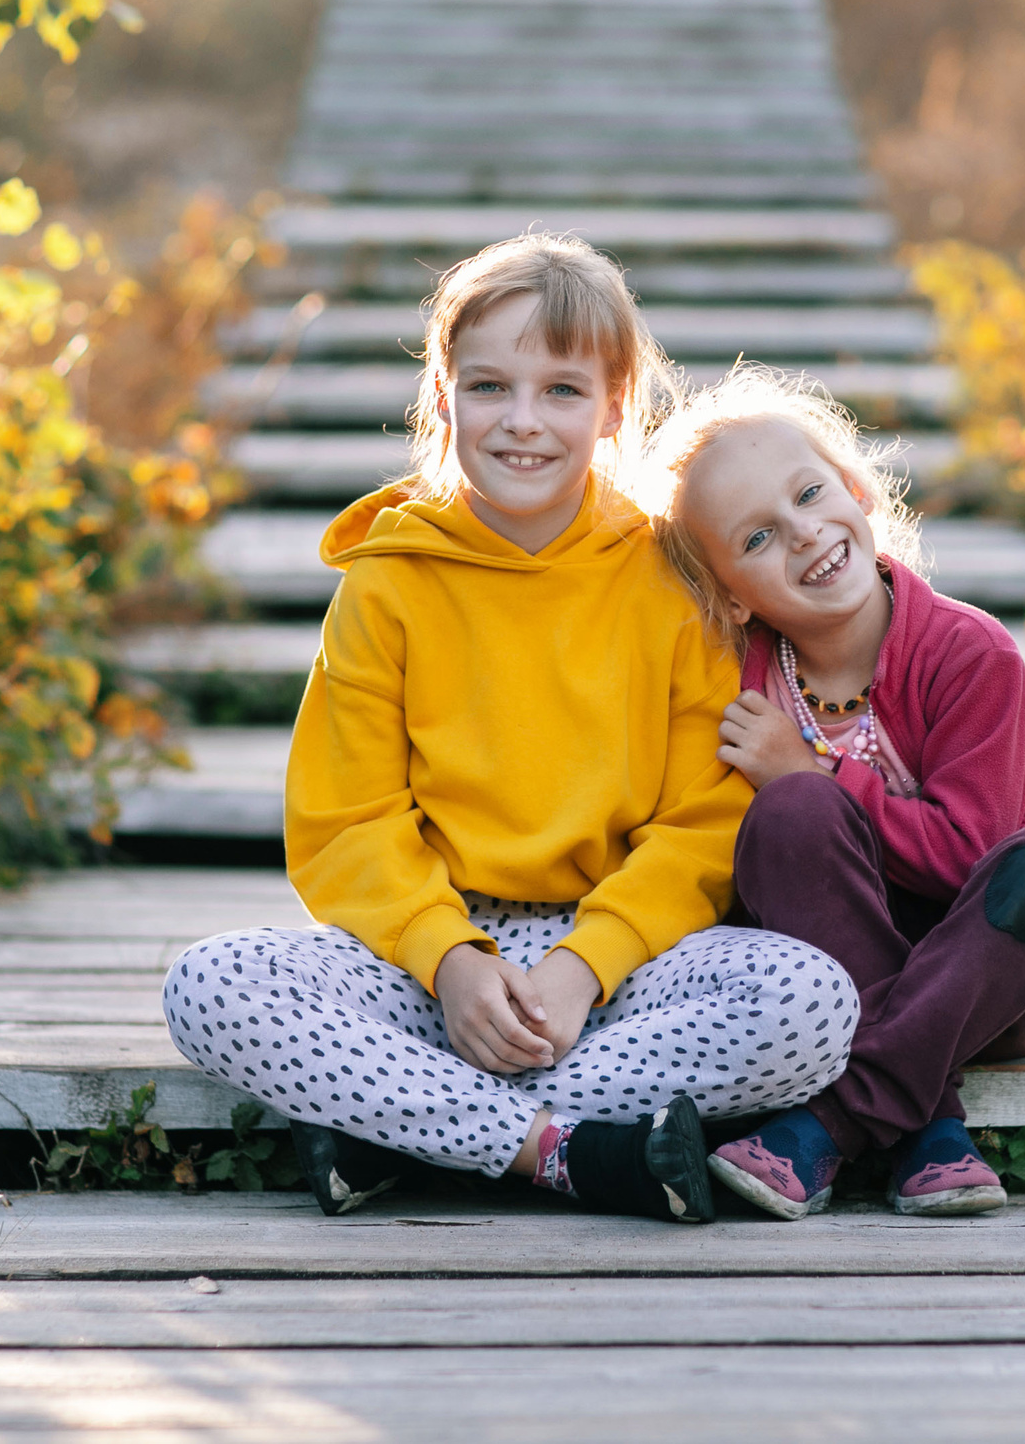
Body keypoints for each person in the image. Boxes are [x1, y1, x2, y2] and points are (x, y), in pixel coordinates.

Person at [162, 237, 858, 1224]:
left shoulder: (668, 577)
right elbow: (346, 818)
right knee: (211, 983)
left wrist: (584, 962)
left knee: (811, 1003)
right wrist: (450, 961)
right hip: (424, 961)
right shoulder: (389, 580)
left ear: (615, 407)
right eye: (489, 385)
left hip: (616, 964)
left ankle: (410, 1127)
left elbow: (707, 819)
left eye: (562, 391)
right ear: (442, 396)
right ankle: (560, 1151)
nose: (522, 422)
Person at [640, 369, 1025, 1219]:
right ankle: (928, 1129)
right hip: (831, 982)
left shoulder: (970, 655)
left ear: (856, 489)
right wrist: (798, 794)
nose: (805, 533)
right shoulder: (736, 691)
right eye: (757, 538)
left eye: (812, 493)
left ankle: (830, 1127)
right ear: (729, 598)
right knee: (787, 817)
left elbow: (969, 855)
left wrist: (815, 773)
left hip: (988, 978)